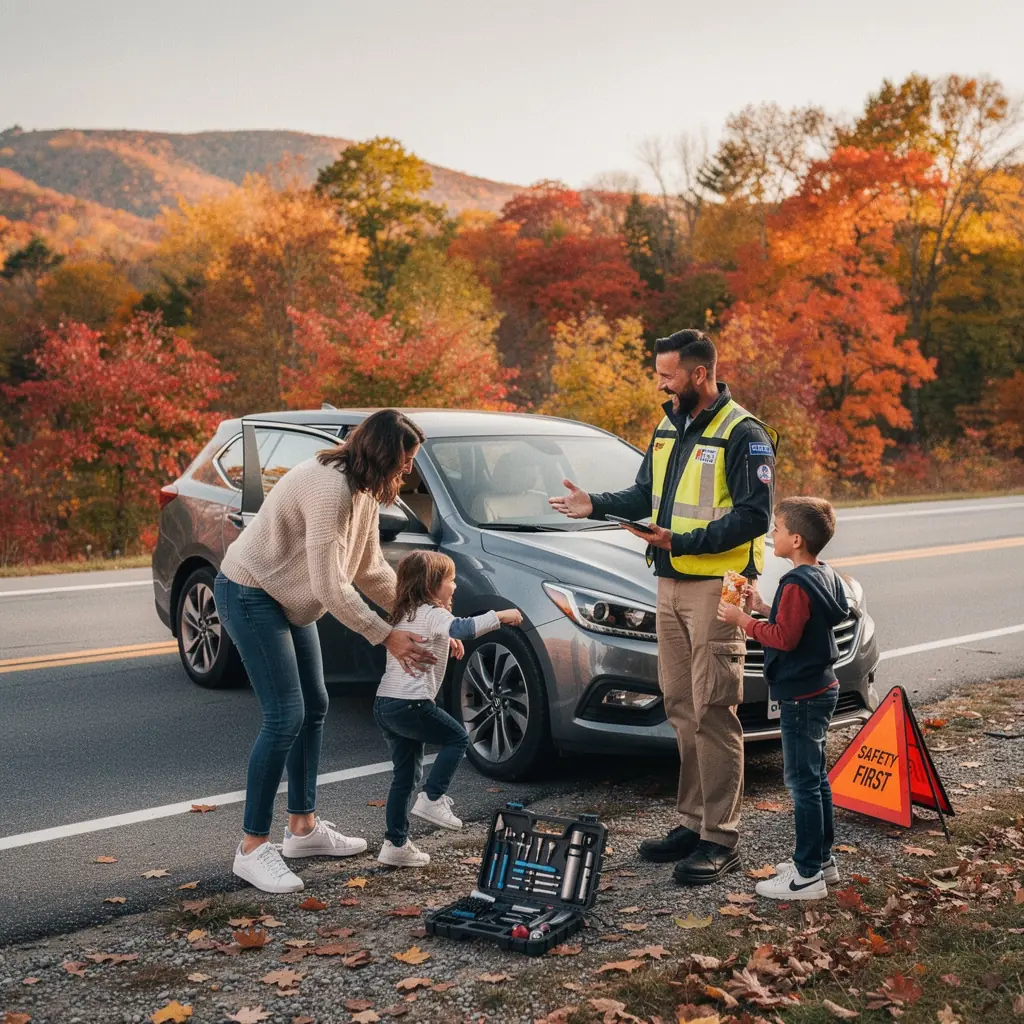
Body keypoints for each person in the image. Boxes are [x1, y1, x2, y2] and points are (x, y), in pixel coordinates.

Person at [549, 329, 778, 885]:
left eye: (669, 375)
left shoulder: (743, 434)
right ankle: (691, 822)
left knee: (714, 707)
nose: (661, 382)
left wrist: (681, 541)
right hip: (669, 583)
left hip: (717, 587)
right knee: (679, 704)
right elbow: (644, 493)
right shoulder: (667, 423)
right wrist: (594, 504)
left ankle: (720, 837)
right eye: (659, 374)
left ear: (700, 374)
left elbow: (754, 516)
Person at [215, 409, 436, 894]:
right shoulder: (329, 488)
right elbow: (330, 587)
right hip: (250, 591)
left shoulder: (365, 491)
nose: (408, 471)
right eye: (405, 461)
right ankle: (251, 848)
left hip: (286, 600)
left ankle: (303, 829)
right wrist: (386, 636)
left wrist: (420, 615)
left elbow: (371, 571)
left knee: (314, 706)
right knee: (284, 716)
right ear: (381, 454)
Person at [718, 496, 849, 900]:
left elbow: (785, 638)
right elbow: (798, 621)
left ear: (795, 539)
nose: (771, 534)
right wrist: (764, 606)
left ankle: (806, 876)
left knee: (801, 783)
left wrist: (745, 621)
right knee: (816, 779)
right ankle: (822, 862)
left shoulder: (795, 582)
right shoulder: (822, 574)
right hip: (822, 686)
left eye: (775, 528)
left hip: (801, 695)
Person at [373, 551, 523, 867]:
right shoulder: (432, 612)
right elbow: (463, 628)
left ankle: (395, 844)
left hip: (386, 704)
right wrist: (502, 616)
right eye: (450, 580)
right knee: (458, 738)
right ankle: (433, 798)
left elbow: (444, 633)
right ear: (432, 585)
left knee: (404, 776)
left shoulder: (405, 613)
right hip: (412, 704)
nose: (454, 586)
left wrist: (446, 640)